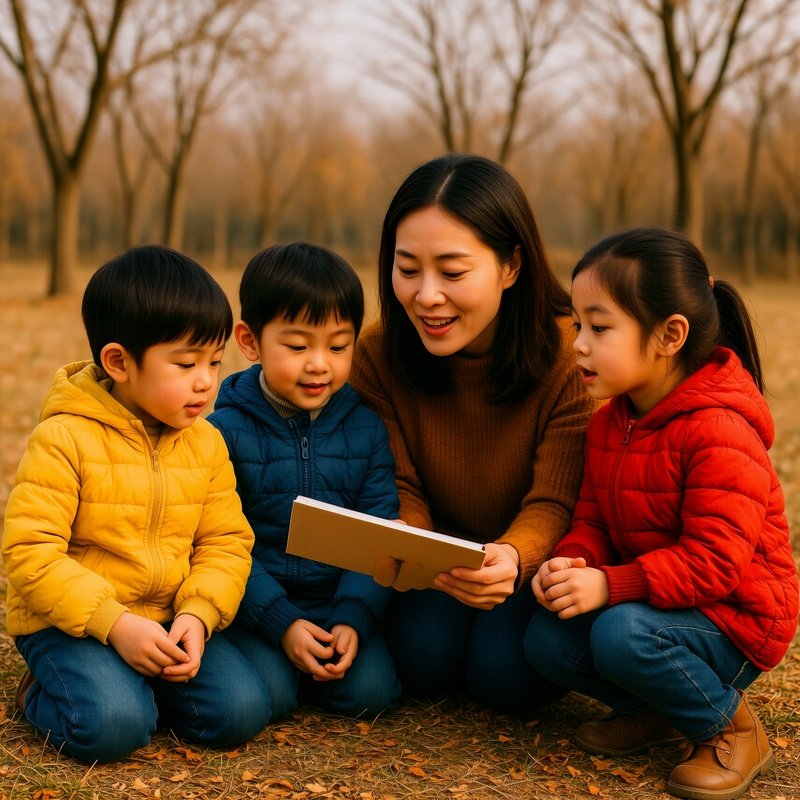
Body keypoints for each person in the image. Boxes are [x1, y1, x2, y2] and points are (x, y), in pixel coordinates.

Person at [524, 227, 799, 800]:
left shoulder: (718, 430)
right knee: (546, 639)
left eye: (599, 328)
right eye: (578, 325)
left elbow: (716, 562)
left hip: (735, 618)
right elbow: (595, 517)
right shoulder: (609, 422)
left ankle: (732, 728)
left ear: (670, 335)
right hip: (658, 605)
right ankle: (660, 710)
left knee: (622, 634)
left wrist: (609, 584)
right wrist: (573, 561)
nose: (578, 344)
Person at [349, 154, 597, 717]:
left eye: (453, 272)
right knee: (421, 660)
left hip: (530, 560)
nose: (426, 296)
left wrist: (512, 555)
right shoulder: (378, 354)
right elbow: (398, 483)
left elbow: (556, 497)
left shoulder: (570, 354)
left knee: (504, 676)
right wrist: (422, 552)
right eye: (407, 269)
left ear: (511, 266)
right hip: (439, 558)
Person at [1, 246, 270, 763]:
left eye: (214, 362)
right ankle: (42, 691)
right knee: (113, 727)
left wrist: (197, 614)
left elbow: (226, 541)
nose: (206, 381)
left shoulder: (206, 443)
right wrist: (115, 623)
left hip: (167, 619)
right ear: (119, 362)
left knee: (240, 710)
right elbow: (30, 554)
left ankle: (140, 688)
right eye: (186, 363)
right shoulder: (64, 439)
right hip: (73, 623)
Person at [208, 242, 401, 722]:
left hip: (337, 603)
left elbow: (379, 531)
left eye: (338, 346)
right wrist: (281, 622)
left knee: (372, 694)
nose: (320, 364)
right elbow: (216, 544)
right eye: (297, 347)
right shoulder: (221, 433)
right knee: (271, 697)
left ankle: (320, 660)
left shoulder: (366, 428)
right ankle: (280, 665)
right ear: (250, 342)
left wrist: (354, 616)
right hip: (257, 609)